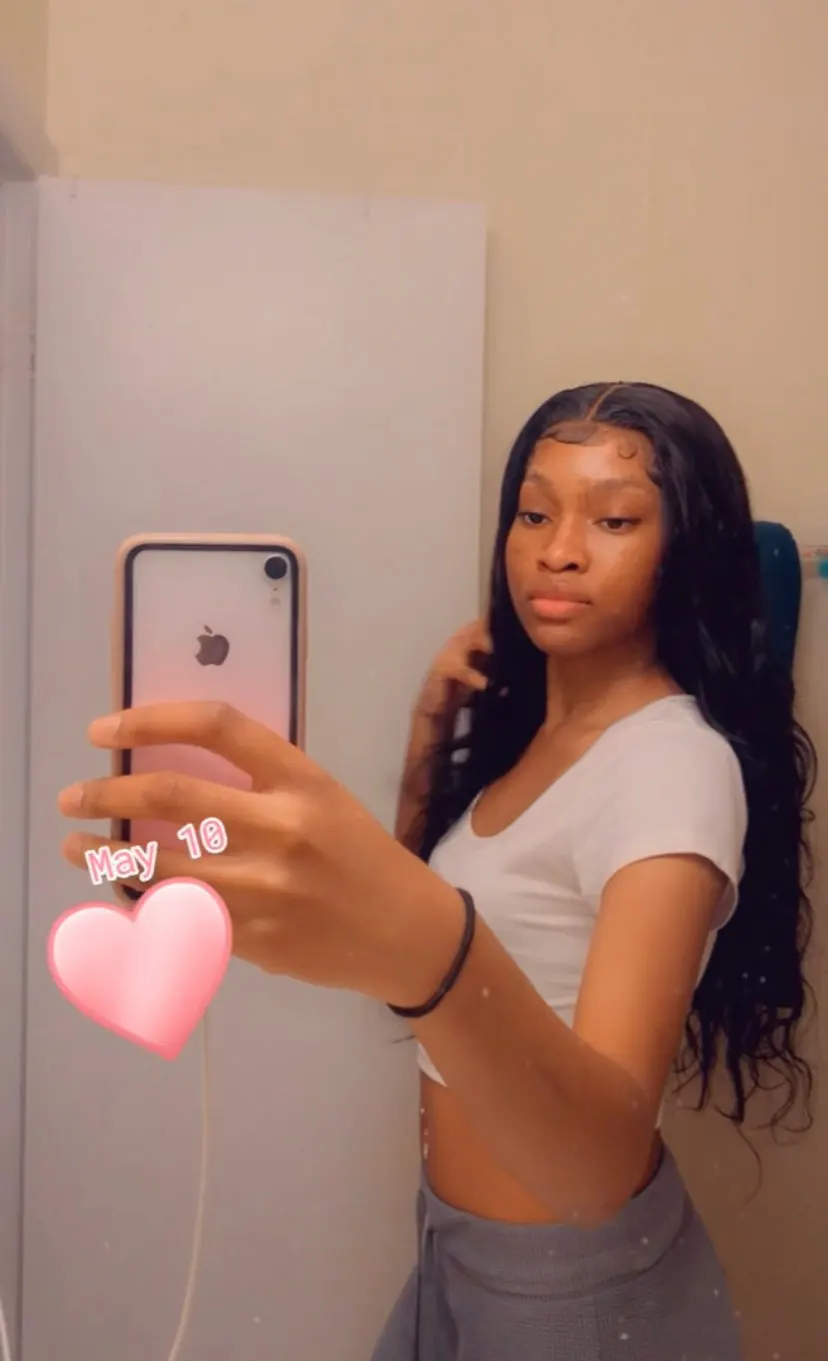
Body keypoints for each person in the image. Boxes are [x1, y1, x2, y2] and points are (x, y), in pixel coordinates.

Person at [59, 380, 816, 1361]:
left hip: (574, 1291)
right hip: (454, 1247)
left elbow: (597, 1162)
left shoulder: (674, 765)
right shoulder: (541, 739)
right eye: (534, 513)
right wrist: (430, 733)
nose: (558, 549)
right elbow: (422, 929)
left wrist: (430, 955)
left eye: (614, 519)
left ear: (689, 550)